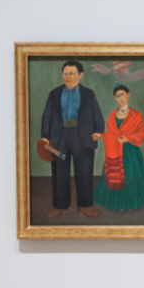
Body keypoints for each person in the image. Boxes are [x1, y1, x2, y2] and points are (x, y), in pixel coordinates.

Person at [38, 60, 105, 218]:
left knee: (84, 170)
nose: (68, 77)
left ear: (80, 75)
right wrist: (45, 137)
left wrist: (98, 131)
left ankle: (85, 206)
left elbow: (97, 114)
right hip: (59, 136)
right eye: (65, 73)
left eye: (72, 73)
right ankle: (60, 206)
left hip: (82, 137)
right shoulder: (54, 94)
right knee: (59, 170)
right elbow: (47, 116)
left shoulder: (88, 94)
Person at [92, 84, 144, 212]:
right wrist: (101, 135)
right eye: (117, 96)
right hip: (115, 151)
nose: (120, 98)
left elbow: (142, 134)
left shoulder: (137, 116)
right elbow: (111, 134)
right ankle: (118, 204)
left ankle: (131, 204)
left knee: (130, 176)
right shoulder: (112, 115)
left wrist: (127, 138)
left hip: (131, 151)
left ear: (128, 95)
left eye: (122, 94)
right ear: (115, 99)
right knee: (115, 175)